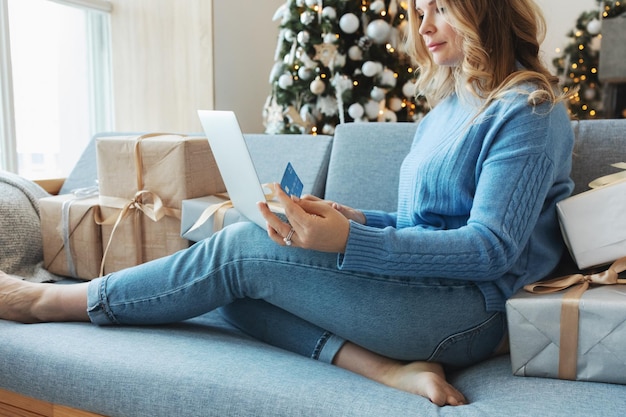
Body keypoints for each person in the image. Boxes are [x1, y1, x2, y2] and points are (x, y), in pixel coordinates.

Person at [0, 0, 574, 407]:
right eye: (418, 11)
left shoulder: (528, 108)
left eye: (440, 9)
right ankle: (386, 369)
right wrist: (353, 219)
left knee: (239, 255)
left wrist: (350, 242)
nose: (422, 26)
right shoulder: (446, 108)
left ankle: (46, 303)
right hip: (427, 294)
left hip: (473, 313)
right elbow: (424, 225)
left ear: (485, 9)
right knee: (221, 271)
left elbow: (489, 249)